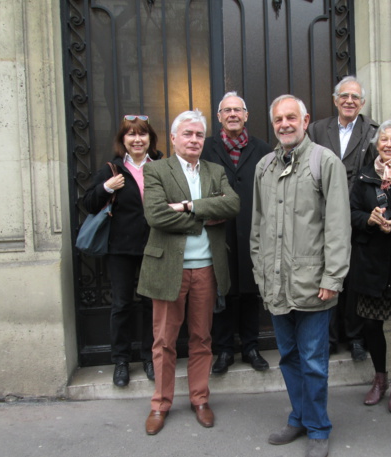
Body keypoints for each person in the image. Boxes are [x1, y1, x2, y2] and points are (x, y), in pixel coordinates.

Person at [251, 95, 351, 457]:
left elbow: (339, 227)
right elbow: (258, 227)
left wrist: (332, 277)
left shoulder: (325, 162)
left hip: (314, 285)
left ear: (306, 120)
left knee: (313, 360)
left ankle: (319, 427)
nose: (284, 124)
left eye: (291, 117)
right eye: (278, 119)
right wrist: (261, 275)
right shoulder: (264, 166)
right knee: (289, 357)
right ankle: (299, 417)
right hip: (276, 283)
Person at [137, 110, 240, 436]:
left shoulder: (215, 170)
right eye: (188, 134)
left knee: (202, 338)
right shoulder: (156, 170)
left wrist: (186, 206)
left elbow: (233, 205)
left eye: (199, 135)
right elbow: (155, 216)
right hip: (169, 268)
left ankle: (199, 399)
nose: (194, 140)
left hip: (206, 269)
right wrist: (207, 213)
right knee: (164, 341)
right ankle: (160, 404)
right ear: (174, 138)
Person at [82, 114, 162, 387]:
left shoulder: (161, 166)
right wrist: (106, 188)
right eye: (131, 134)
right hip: (121, 248)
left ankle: (151, 357)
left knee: (152, 304)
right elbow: (89, 203)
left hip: (155, 246)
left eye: (142, 134)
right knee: (122, 304)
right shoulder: (112, 170)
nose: (137, 139)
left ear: (150, 139)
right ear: (123, 140)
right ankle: (121, 361)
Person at [307, 75, 379, 360]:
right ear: (335, 100)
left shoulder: (373, 130)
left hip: (358, 214)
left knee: (354, 278)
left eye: (356, 98)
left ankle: (355, 337)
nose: (350, 101)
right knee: (327, 274)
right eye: (344, 96)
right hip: (324, 214)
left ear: (362, 103)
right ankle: (329, 337)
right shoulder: (316, 129)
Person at [201, 92, 271, 374]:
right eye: (226, 110)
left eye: (237, 110)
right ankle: (224, 350)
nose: (232, 114)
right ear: (219, 117)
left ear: (246, 115)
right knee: (223, 289)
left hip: (253, 229)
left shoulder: (263, 148)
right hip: (218, 231)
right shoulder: (206, 148)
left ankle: (251, 346)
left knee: (251, 291)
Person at [349, 119, 391, 413]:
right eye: (384, 139)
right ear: (377, 144)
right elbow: (350, 213)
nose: (388, 144)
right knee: (372, 326)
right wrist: (368, 219)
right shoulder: (364, 176)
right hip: (370, 263)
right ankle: (380, 379)